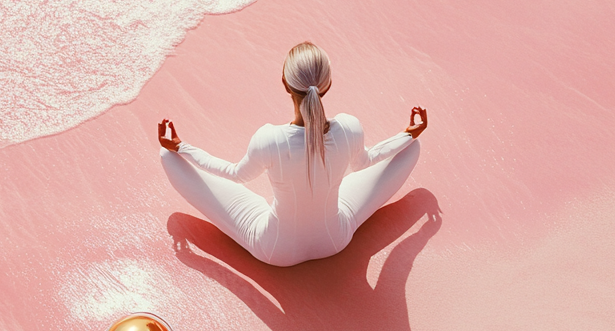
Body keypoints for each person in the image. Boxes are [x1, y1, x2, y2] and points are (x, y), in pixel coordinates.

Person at [158, 41, 426, 267]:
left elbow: (236, 175)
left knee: (167, 156)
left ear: (285, 83)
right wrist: (409, 134)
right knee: (411, 147)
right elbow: (365, 161)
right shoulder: (349, 128)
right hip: (335, 241)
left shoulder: (270, 139)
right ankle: (411, 140)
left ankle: (173, 151)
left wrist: (182, 147)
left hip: (275, 251)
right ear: (328, 84)